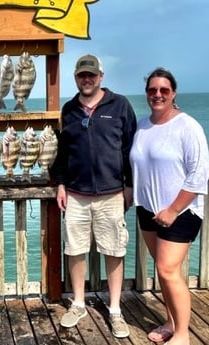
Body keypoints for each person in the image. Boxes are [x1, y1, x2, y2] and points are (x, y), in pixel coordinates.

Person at [53, 54, 137, 338]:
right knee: (74, 250)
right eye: (81, 75)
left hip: (112, 193)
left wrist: (130, 185)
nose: (86, 79)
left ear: (101, 76)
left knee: (114, 250)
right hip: (76, 194)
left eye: (91, 75)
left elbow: (130, 150)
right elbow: (62, 154)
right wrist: (61, 184)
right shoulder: (69, 109)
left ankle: (115, 309)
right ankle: (78, 302)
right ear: (76, 78)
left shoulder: (120, 105)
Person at [130, 67, 209, 345]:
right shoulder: (142, 126)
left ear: (173, 93)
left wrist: (173, 209)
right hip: (148, 209)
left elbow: (199, 176)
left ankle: (182, 334)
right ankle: (170, 321)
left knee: (167, 270)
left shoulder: (188, 127)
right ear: (147, 94)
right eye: (152, 90)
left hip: (181, 211)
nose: (158, 94)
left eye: (164, 90)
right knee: (162, 269)